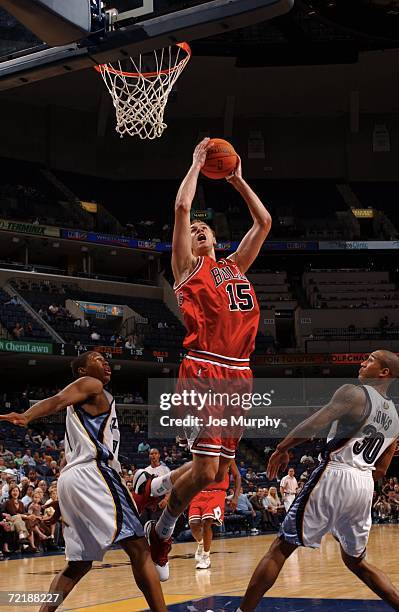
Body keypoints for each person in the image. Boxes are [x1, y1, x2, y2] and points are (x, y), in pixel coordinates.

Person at [145, 137, 271, 579]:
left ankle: (157, 489)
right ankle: (161, 530)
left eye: (205, 229)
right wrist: (196, 164)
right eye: (194, 230)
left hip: (240, 376)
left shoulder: (235, 265)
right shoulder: (186, 268)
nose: (198, 230)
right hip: (203, 368)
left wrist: (237, 181)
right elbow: (182, 209)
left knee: (212, 474)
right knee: (203, 470)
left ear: (217, 238)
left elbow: (264, 220)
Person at [0, 351, 167, 612]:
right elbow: (56, 400)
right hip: (95, 472)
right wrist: (28, 416)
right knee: (139, 549)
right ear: (82, 371)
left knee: (79, 563)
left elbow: (70, 460)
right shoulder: (91, 383)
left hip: (73, 478)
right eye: (97, 359)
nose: (105, 363)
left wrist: (61, 502)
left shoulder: (84, 408)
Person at [238, 350, 399, 611]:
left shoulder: (354, 393)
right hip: (364, 483)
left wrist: (281, 448)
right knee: (356, 562)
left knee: (281, 547)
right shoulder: (394, 416)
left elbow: (315, 424)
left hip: (335, 471)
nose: (362, 362)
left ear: (384, 373)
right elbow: (381, 470)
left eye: (370, 359)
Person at [189, 460, 241, 570]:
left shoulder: (227, 455)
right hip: (199, 492)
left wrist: (236, 497)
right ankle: (201, 543)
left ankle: (206, 557)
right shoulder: (202, 453)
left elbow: (237, 476)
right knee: (193, 524)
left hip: (217, 492)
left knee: (207, 521)